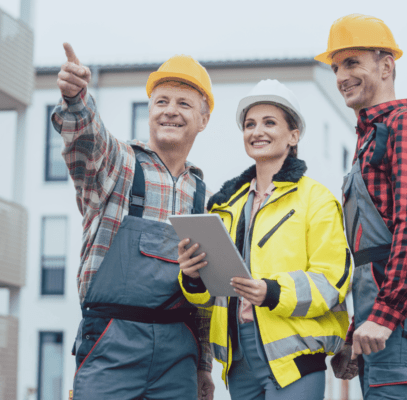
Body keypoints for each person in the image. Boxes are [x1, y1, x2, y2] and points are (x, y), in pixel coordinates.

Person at [53, 43, 215, 400]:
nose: (170, 111)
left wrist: (203, 363)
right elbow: (87, 141)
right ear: (149, 111)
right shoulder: (120, 165)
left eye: (184, 103)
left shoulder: (202, 195)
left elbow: (204, 294)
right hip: (112, 341)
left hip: (179, 353)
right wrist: (76, 99)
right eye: (161, 102)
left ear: (204, 120)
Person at [177, 79, 352, 400]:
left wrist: (271, 291)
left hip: (295, 357)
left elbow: (332, 280)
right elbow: (209, 296)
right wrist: (192, 276)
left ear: (293, 135)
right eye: (250, 124)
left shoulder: (317, 200)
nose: (257, 131)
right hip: (239, 357)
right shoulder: (225, 205)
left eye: (270, 123)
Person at [315, 14, 407, 400]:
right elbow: (370, 255)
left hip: (401, 316)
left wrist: (384, 314)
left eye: (353, 62)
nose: (342, 75)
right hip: (380, 316)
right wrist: (356, 326)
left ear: (386, 65)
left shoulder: (405, 125)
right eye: (336, 66)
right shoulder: (365, 141)